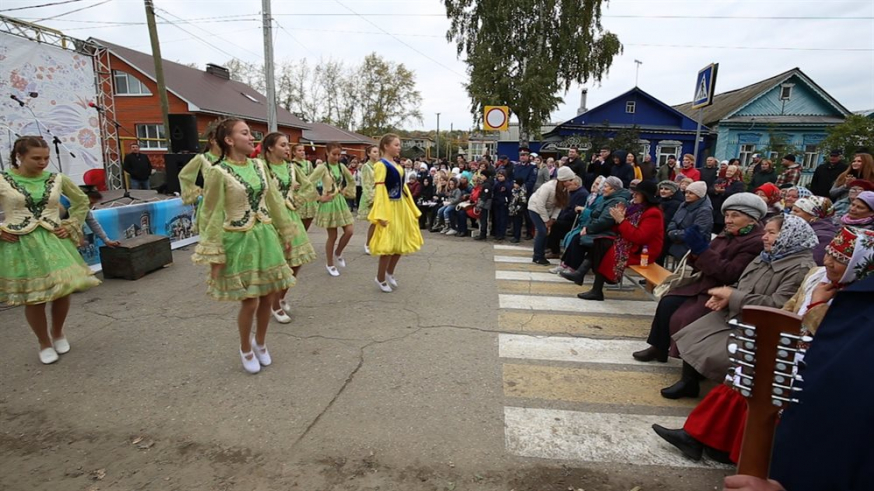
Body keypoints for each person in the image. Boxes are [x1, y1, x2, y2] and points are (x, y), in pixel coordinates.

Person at [653, 227, 874, 467]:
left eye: (840, 259)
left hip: (820, 365)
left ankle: (741, 456)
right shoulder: (816, 275)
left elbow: (831, 336)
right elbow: (788, 309)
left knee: (763, 382)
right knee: (742, 374)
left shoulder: (858, 298)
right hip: (784, 341)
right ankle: (701, 438)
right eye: (830, 253)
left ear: (860, 266)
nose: (828, 261)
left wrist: (818, 304)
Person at [669, 214, 817, 398]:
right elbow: (743, 283)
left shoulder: (799, 267)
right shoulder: (767, 256)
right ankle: (689, 382)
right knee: (692, 330)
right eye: (765, 232)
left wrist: (733, 296)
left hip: (759, 326)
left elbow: (779, 304)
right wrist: (726, 294)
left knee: (719, 353)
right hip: (738, 312)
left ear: (790, 235)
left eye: (771, 233)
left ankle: (721, 401)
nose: (764, 237)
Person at [192, 119, 296, 374]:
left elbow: (273, 201)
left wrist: (285, 232)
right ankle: (245, 347)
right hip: (238, 240)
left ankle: (260, 342)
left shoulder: (260, 166)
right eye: (246, 133)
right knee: (249, 301)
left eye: (252, 134)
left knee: (268, 296)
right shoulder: (218, 171)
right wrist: (214, 252)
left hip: (265, 237)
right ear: (229, 140)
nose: (252, 138)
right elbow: (211, 214)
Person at [633, 193, 766, 368]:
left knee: (688, 315)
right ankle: (658, 347)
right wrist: (696, 251)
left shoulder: (754, 242)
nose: (728, 220)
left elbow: (730, 273)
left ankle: (691, 371)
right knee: (668, 301)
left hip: (722, 291)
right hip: (704, 285)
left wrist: (702, 250)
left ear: (752, 219)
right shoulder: (727, 234)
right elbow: (702, 262)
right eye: (727, 215)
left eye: (735, 215)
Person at [1, 136, 101, 364]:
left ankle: (58, 332)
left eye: (46, 157)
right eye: (36, 158)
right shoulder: (3, 180)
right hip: (20, 243)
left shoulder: (57, 178)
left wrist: (71, 224)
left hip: (54, 240)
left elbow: (82, 202)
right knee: (34, 298)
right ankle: (43, 341)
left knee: (63, 291)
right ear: (20, 156)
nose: (43, 162)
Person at [261, 132, 317, 324]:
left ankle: (280, 297)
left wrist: (295, 200)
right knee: (278, 263)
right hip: (270, 218)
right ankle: (274, 305)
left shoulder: (291, 167)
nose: (287, 149)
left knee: (296, 260)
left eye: (287, 145)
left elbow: (309, 186)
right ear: (270, 147)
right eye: (283, 145)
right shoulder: (261, 167)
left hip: (290, 216)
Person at [578, 180, 664, 300]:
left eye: (637, 194)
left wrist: (622, 220)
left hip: (643, 251)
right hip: (630, 244)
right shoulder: (637, 209)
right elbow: (620, 230)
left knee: (607, 248)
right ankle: (592, 285)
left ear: (646, 196)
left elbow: (640, 237)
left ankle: (593, 285)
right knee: (600, 242)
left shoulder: (653, 213)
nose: (634, 195)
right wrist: (618, 218)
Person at [368, 134, 424, 292]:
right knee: (388, 245)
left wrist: (411, 208)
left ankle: (389, 272)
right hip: (388, 206)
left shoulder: (397, 165)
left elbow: (403, 188)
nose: (399, 147)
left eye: (399, 145)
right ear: (386, 146)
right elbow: (380, 190)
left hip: (400, 206)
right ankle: (380, 278)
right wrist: (380, 214)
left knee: (400, 242)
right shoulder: (381, 165)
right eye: (396, 145)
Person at [559, 177, 630, 284]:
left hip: (608, 233)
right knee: (577, 237)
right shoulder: (608, 198)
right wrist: (586, 227)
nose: (603, 189)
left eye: (606, 186)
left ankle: (573, 269)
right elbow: (594, 214)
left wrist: (588, 229)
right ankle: (569, 267)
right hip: (600, 230)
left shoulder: (617, 201)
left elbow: (605, 220)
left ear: (614, 189)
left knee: (580, 240)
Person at [310, 142, 357, 277]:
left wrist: (346, 191)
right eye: (333, 154)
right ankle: (330, 263)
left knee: (349, 231)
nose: (336, 157)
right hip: (329, 204)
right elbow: (308, 183)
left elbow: (351, 181)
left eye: (338, 154)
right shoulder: (322, 168)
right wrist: (319, 198)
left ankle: (338, 252)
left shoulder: (341, 167)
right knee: (333, 235)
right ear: (327, 153)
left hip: (340, 202)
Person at [527, 166, 575, 265]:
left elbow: (559, 205)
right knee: (542, 231)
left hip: (547, 210)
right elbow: (540, 204)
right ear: (563, 180)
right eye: (570, 180)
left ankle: (541, 254)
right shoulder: (548, 187)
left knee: (546, 232)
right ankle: (537, 256)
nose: (572, 182)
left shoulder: (564, 190)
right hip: (535, 208)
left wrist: (553, 219)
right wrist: (546, 221)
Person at [664, 181, 713, 260]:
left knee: (663, 246)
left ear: (699, 195)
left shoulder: (705, 210)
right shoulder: (683, 204)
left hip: (691, 243)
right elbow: (673, 221)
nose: (687, 195)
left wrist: (675, 234)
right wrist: (671, 232)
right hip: (676, 237)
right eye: (686, 192)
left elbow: (697, 231)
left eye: (691, 193)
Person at [546, 176, 588, 257]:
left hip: (572, 221)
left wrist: (560, 217)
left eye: (569, 184)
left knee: (554, 225)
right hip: (565, 217)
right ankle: (550, 246)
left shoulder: (582, 194)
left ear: (576, 184)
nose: (567, 186)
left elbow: (574, 212)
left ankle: (555, 251)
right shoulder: (571, 192)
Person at [790, 196, 837, 265]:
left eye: (796, 211)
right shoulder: (799, 230)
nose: (791, 214)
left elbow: (814, 262)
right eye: (792, 210)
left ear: (813, 215)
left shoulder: (824, 237)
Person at [290, 143, 318, 231]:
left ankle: (304, 233)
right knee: (300, 218)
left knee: (309, 217)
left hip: (308, 193)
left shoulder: (308, 163)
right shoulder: (291, 164)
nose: (302, 152)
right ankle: (299, 235)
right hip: (298, 193)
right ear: (294, 152)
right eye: (299, 150)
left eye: (303, 150)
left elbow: (313, 177)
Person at [358, 145, 379, 254]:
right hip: (372, 196)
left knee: (383, 222)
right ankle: (368, 243)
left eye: (377, 151)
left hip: (382, 196)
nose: (377, 153)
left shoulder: (381, 165)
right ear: (369, 154)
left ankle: (378, 242)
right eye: (374, 151)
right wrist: (372, 198)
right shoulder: (366, 167)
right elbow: (365, 185)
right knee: (375, 222)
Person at [492, 169, 512, 242]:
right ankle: (497, 233)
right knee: (497, 219)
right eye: (499, 176)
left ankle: (501, 234)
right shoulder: (496, 184)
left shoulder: (507, 184)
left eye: (501, 176)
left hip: (503, 204)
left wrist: (507, 202)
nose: (500, 178)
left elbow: (509, 194)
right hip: (496, 203)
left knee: (502, 219)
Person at [508, 177, 528, 243]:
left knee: (518, 224)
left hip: (518, 210)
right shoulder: (514, 190)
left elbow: (523, 201)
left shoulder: (522, 191)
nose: (514, 184)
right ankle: (514, 235)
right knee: (514, 223)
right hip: (513, 209)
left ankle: (517, 237)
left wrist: (518, 209)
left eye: (516, 183)